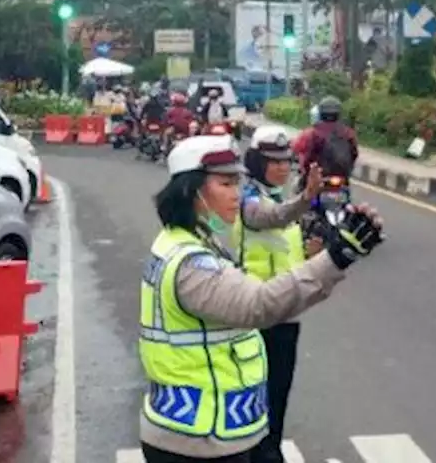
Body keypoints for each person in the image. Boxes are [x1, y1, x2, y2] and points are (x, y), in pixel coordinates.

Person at [138, 135, 385, 462]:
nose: (235, 193)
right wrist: (338, 257)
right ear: (191, 189)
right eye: (225, 184)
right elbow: (259, 303)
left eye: (237, 182)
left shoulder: (190, 239)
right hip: (198, 441)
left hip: (206, 432)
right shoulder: (191, 264)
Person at [234, 127, 325, 463]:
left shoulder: (275, 197)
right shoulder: (247, 198)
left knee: (277, 398)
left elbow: (282, 250)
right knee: (256, 399)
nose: (282, 168)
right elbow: (267, 219)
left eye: (287, 161)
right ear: (257, 162)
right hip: (254, 315)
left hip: (284, 314)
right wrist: (303, 200)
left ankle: (270, 451)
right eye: (274, 162)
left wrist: (309, 252)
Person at [302, 97, 359, 181]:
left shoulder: (315, 132)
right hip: (342, 174)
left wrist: (305, 169)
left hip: (320, 174)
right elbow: (354, 153)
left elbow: (309, 155)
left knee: (305, 187)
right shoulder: (348, 132)